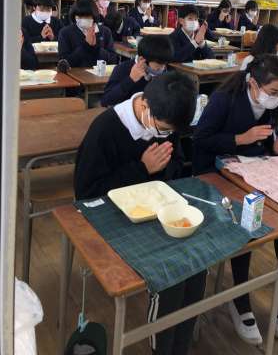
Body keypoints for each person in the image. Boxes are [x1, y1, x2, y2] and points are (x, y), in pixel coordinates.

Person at [75, 72, 205, 355]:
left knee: (198, 263)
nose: (165, 135)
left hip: (158, 211)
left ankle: (180, 346)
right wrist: (142, 168)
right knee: (172, 271)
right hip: (112, 217)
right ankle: (162, 349)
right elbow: (86, 194)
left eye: (171, 131)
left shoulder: (167, 120)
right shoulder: (106, 128)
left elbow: (176, 164)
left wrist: (165, 167)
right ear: (145, 105)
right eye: (163, 129)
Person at [193, 55, 278, 343]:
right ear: (253, 83)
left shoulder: (275, 104)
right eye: (273, 92)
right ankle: (240, 301)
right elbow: (200, 139)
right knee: (247, 222)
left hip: (255, 170)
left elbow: (271, 138)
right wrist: (241, 138)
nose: (277, 98)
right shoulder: (224, 99)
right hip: (215, 171)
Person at [101, 35, 174, 107]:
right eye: (158, 66)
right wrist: (131, 79)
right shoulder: (123, 69)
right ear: (142, 59)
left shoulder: (167, 72)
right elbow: (106, 100)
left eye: (165, 64)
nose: (162, 68)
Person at [58, 0, 117, 68]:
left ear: (94, 16)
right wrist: (86, 46)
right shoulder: (65, 33)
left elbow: (113, 60)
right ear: (74, 16)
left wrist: (96, 48)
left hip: (99, 74)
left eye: (87, 16)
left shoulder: (105, 32)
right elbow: (64, 63)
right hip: (75, 74)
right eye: (79, 16)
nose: (83, 19)